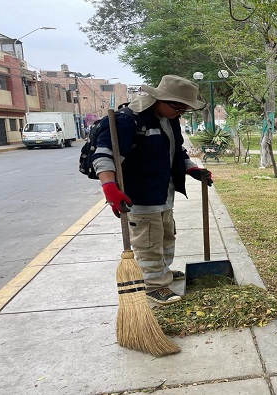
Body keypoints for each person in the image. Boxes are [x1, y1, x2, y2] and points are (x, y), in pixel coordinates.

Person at [92, 75, 212, 305]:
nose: (181, 113)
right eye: (179, 107)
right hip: (139, 195)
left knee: (166, 236)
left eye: (185, 109)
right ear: (160, 99)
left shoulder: (169, 119)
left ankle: (163, 273)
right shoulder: (129, 121)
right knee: (148, 242)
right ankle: (153, 285)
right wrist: (109, 187)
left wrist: (191, 170)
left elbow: (177, 152)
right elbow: (104, 154)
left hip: (163, 193)